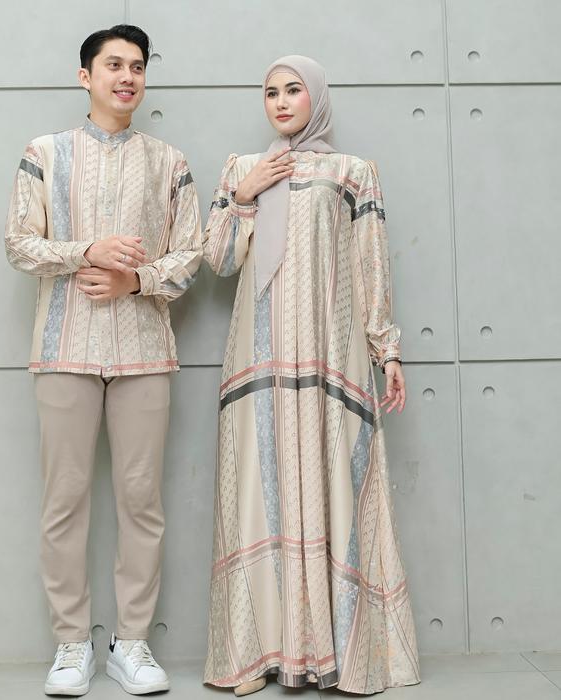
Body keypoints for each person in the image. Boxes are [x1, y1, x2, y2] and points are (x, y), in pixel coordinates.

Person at [202, 56, 420, 696]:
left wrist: (387, 350)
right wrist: (244, 197)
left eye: (293, 90)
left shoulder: (354, 172)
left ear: (316, 97)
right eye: (270, 92)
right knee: (259, 490)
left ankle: (337, 654)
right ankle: (260, 653)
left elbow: (371, 264)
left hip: (330, 354)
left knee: (333, 487)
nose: (280, 101)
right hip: (259, 357)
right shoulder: (242, 168)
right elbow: (217, 259)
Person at [4, 24, 202, 697]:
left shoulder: (169, 162)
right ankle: (71, 644)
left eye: (137, 66)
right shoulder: (45, 153)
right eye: (113, 64)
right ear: (84, 75)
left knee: (142, 501)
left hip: (145, 353)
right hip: (65, 349)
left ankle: (131, 643)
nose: (127, 76)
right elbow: (18, 244)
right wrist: (85, 252)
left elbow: (190, 256)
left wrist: (135, 281)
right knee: (64, 501)